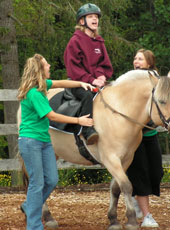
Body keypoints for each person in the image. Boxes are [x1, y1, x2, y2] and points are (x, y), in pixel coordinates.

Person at [18, 54, 95, 230]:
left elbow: (61, 83)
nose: (50, 65)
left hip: (44, 141)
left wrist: (80, 84)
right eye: (46, 64)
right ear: (39, 69)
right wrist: (78, 121)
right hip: (31, 142)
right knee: (37, 183)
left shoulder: (42, 85)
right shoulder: (34, 93)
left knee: (52, 180)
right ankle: (34, 225)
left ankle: (30, 206)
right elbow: (51, 116)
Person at [64, 3, 113, 145]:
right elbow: (74, 69)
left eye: (96, 17)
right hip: (78, 82)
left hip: (97, 81)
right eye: (90, 16)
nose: (95, 19)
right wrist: (91, 80)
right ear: (81, 21)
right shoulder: (75, 41)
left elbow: (104, 64)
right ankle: (87, 130)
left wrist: (102, 76)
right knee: (86, 95)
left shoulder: (99, 41)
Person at [127, 49, 163, 228]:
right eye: (135, 58)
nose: (136, 61)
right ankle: (146, 216)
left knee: (156, 172)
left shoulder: (156, 82)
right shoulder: (128, 81)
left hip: (151, 132)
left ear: (149, 63)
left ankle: (136, 196)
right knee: (140, 174)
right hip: (134, 136)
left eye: (140, 59)